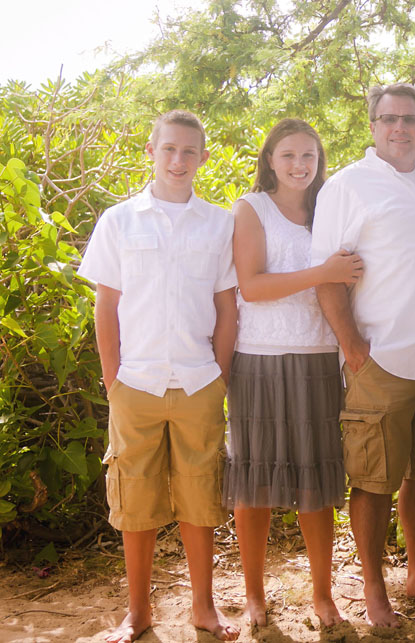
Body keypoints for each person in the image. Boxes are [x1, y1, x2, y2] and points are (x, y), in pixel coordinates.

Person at [310, 83, 415, 628]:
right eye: (388, 119)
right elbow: (328, 273)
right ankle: (374, 589)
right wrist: (352, 345)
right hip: (380, 358)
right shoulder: (349, 186)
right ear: (373, 125)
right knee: (374, 481)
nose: (400, 128)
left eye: (410, 118)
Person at [78, 110, 240, 643]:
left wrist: (218, 374)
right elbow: (107, 305)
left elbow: (226, 307)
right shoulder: (119, 221)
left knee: (200, 498)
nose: (179, 160)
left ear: (203, 158)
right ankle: (139, 613)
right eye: (169, 149)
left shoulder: (219, 224)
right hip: (136, 386)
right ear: (151, 151)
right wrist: (113, 379)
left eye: (189, 151)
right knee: (137, 503)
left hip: (197, 384)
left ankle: (202, 608)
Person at [221, 119, 364, 628]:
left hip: (318, 359)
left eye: (309, 155)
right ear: (270, 160)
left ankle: (323, 595)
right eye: (288, 156)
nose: (300, 165)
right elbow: (253, 287)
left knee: (317, 480)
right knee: (253, 483)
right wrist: (322, 273)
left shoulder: (331, 208)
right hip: (258, 359)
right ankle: (255, 596)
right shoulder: (251, 208)